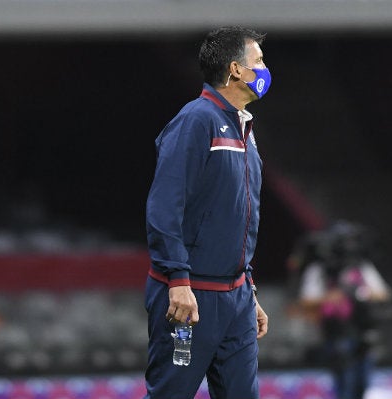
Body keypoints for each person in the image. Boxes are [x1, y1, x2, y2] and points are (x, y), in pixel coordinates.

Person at [144, 26, 270, 399]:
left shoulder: (245, 130)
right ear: (235, 69)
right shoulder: (195, 121)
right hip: (190, 296)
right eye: (258, 61)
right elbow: (164, 205)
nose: (265, 69)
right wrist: (178, 280)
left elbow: (237, 219)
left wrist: (247, 285)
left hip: (237, 297)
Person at [287, 221, 392, 399]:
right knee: (344, 382)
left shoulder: (360, 266)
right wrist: (332, 297)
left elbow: (383, 293)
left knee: (362, 382)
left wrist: (358, 293)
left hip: (361, 329)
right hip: (335, 332)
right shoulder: (320, 269)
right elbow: (305, 301)